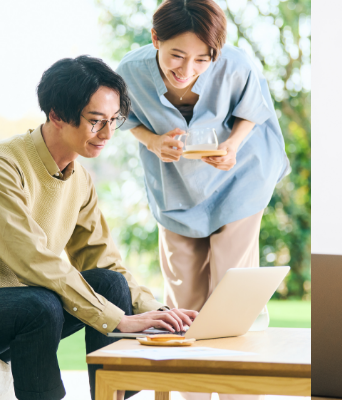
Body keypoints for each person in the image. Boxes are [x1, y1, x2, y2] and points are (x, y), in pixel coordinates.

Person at [0, 55, 198, 400]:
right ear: (56, 115)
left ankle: (113, 397)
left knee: (110, 284)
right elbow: (34, 258)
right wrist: (115, 319)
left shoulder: (80, 179)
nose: (107, 134)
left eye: (114, 121)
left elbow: (103, 261)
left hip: (11, 310)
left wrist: (158, 312)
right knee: (39, 304)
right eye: (96, 121)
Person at [115, 0, 288, 329]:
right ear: (155, 39)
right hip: (175, 183)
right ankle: (188, 377)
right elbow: (125, 118)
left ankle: (234, 374)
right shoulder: (129, 72)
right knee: (184, 299)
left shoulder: (235, 64)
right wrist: (152, 141)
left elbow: (252, 111)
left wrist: (232, 147)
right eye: (177, 55)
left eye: (202, 59)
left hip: (241, 174)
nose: (187, 69)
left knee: (232, 287)